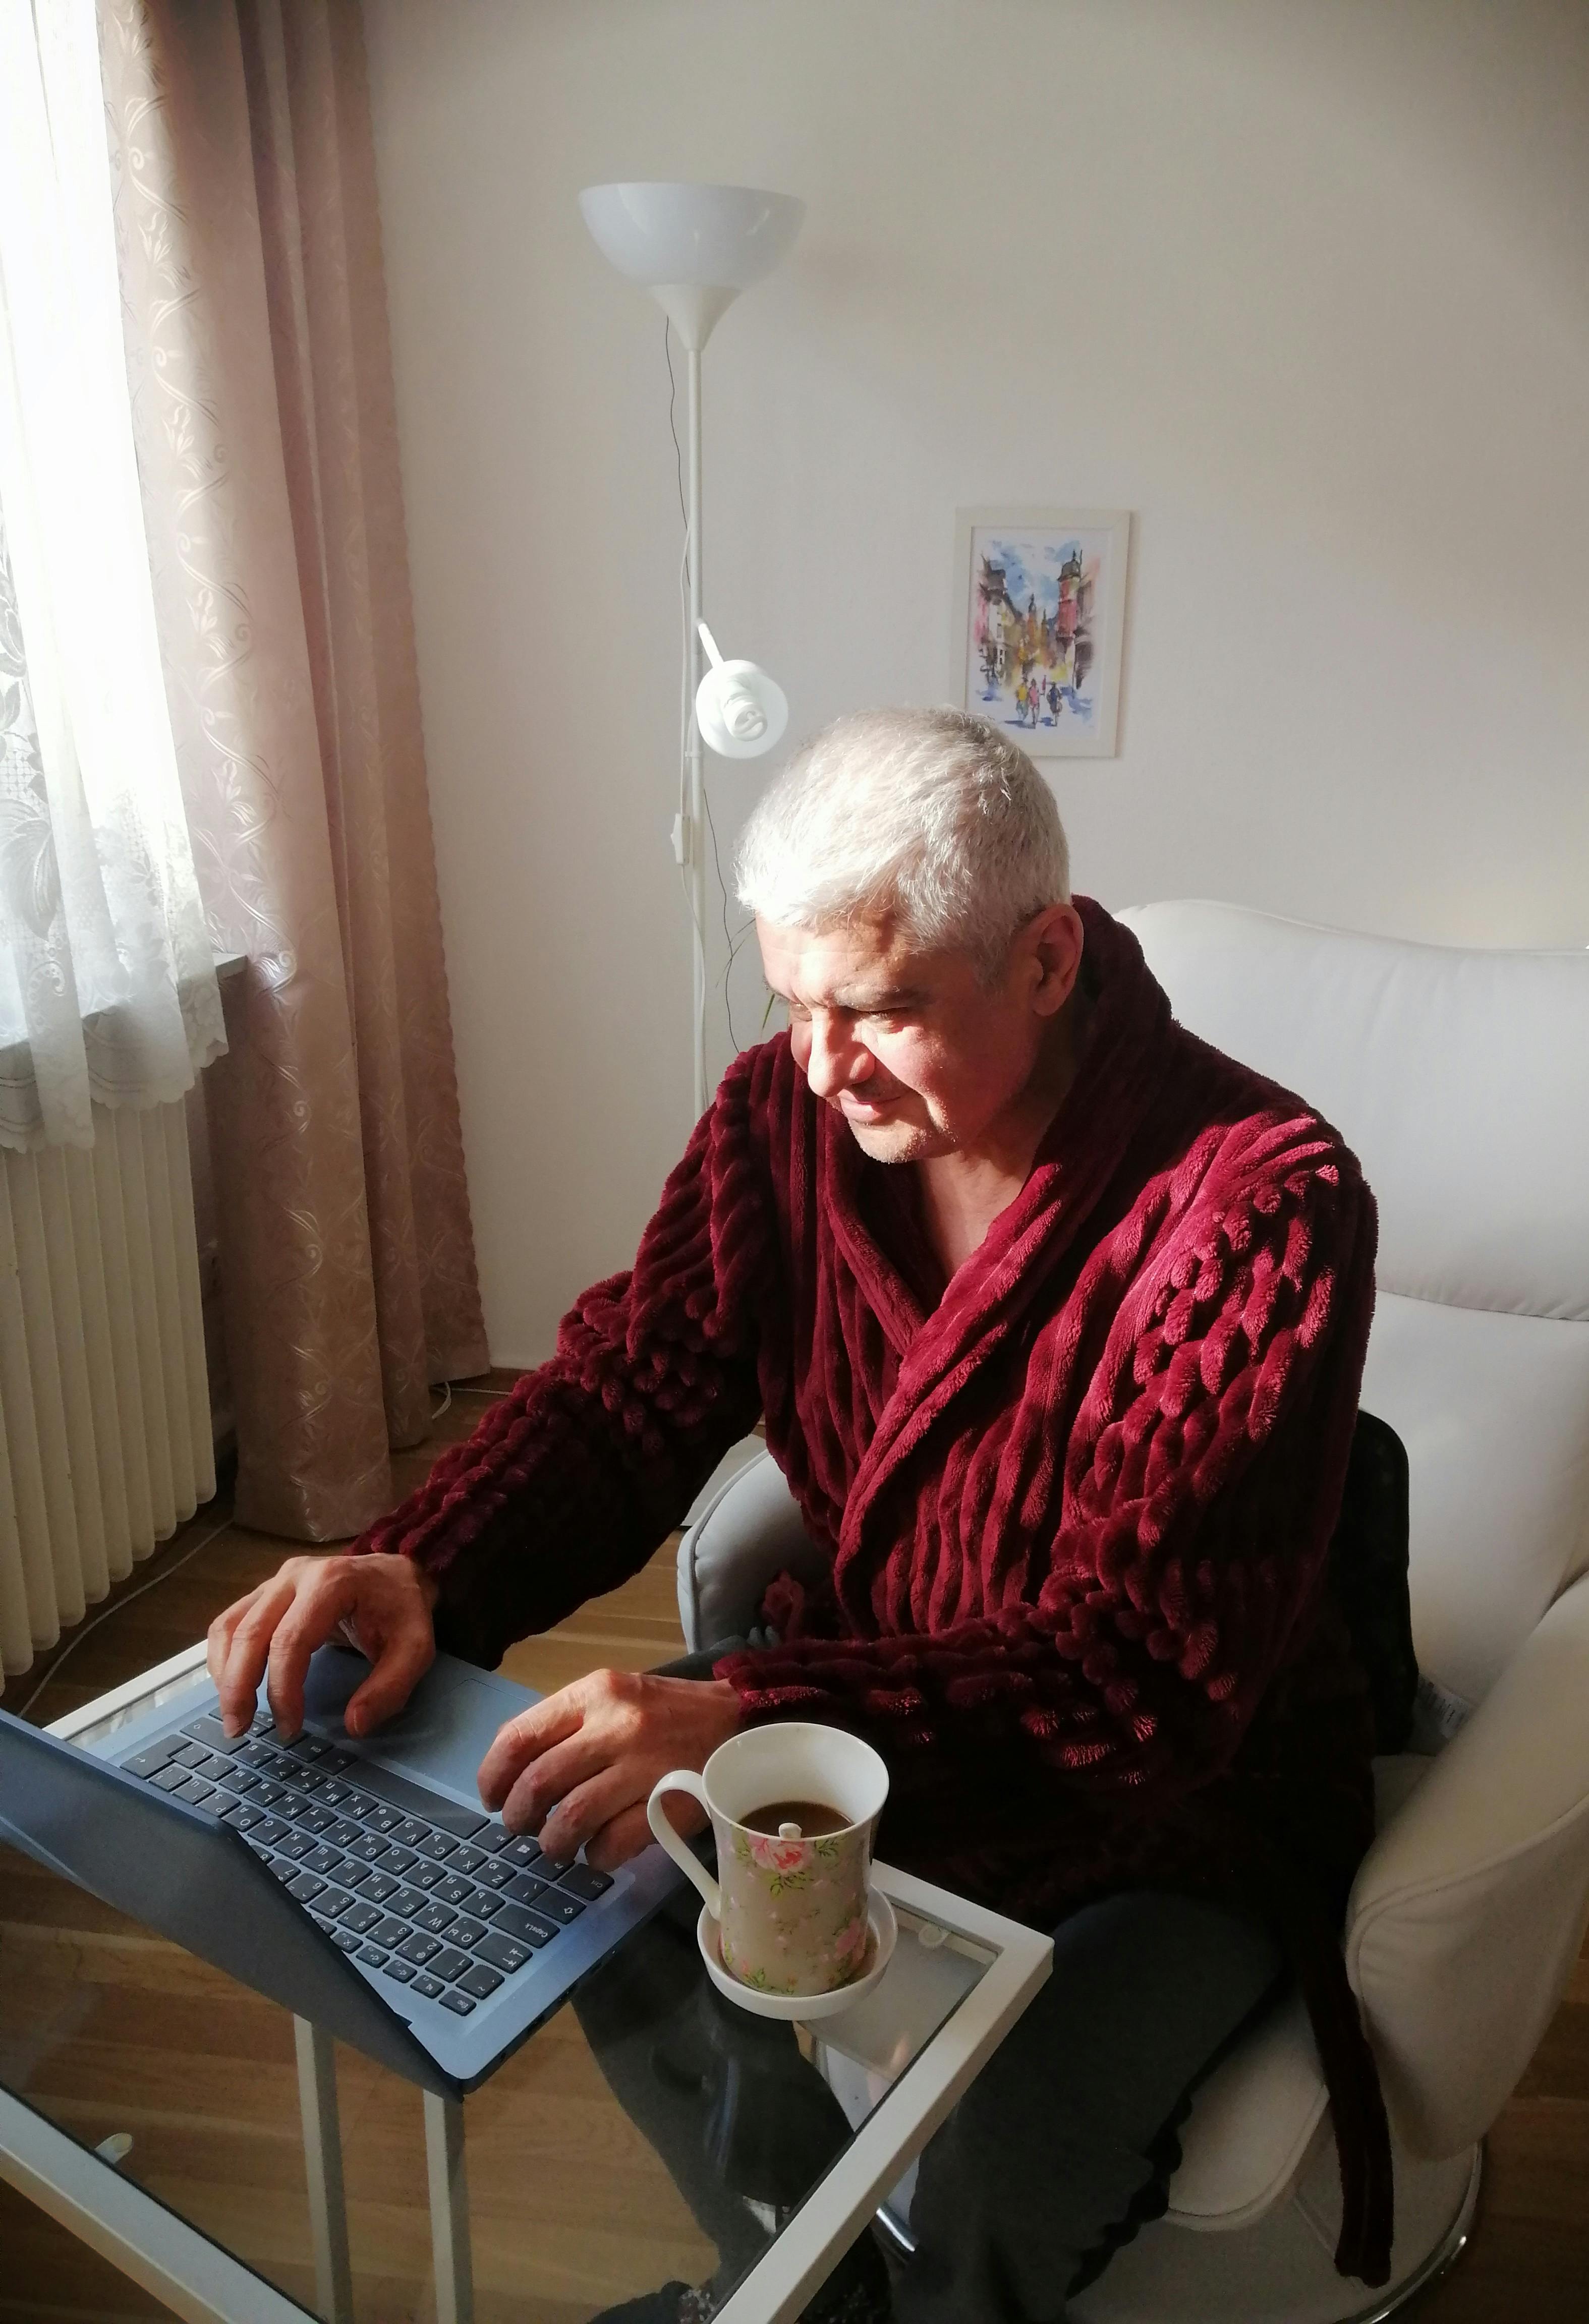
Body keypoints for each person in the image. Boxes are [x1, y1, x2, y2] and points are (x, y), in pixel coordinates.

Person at [206, 709, 1391, 2320]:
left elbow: (1144, 1677)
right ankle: (793, 2291)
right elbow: (631, 1389)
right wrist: (426, 1560)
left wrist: (747, 1713)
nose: (823, 1063)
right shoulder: (785, 1119)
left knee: (984, 2171)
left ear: (1045, 961)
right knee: (569, 1893)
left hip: (1175, 1812)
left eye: (886, 1007)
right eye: (796, 1000)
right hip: (855, 1749)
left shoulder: (1260, 1203)